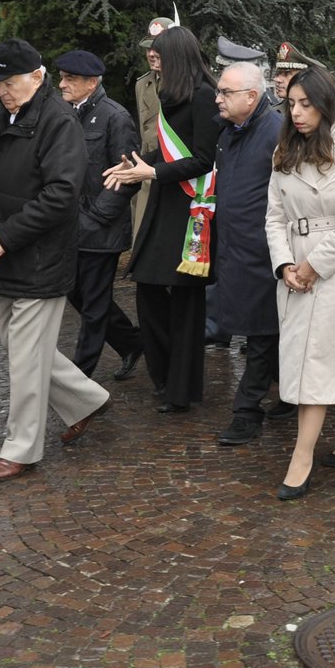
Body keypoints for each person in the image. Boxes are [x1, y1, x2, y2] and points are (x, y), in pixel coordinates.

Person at [0, 39, 112, 482]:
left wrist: (7, 236)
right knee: (23, 351)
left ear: (37, 76)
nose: (3, 92)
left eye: (10, 83)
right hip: (3, 251)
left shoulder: (58, 123)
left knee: (25, 360)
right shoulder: (8, 117)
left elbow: (62, 195)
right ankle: (86, 399)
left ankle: (21, 449)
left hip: (38, 257)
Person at [265, 69, 335, 499]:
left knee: (314, 363)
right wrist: (285, 265)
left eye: (306, 104)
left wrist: (313, 266)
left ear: (327, 104)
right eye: (291, 103)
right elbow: (274, 216)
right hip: (294, 271)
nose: (296, 112)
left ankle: (301, 457)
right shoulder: (284, 151)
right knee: (318, 357)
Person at [104, 25, 220, 412]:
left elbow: (203, 159)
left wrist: (151, 173)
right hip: (163, 206)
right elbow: (168, 155)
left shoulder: (204, 97)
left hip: (191, 210)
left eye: (161, 56)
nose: (156, 63)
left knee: (185, 301)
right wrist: (136, 165)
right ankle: (162, 373)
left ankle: (181, 388)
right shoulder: (170, 95)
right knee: (148, 290)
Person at [54, 49, 143, 382]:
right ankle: (134, 342)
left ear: (91, 83)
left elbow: (128, 175)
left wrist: (96, 217)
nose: (61, 84)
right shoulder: (62, 112)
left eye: (69, 79)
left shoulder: (115, 117)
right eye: (61, 77)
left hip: (99, 230)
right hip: (67, 227)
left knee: (93, 306)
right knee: (81, 296)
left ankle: (79, 382)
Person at [211, 61, 286, 445]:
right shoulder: (228, 132)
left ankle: (247, 412)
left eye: (226, 92)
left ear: (252, 97)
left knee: (260, 332)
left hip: (265, 253)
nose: (218, 98)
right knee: (263, 331)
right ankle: (288, 393)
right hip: (235, 247)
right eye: (220, 91)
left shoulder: (275, 132)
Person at [129, 16, 171, 247]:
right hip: (146, 170)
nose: (152, 53)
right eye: (149, 48)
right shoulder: (142, 84)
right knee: (143, 239)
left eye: (158, 48)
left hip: (173, 170)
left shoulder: (186, 85)